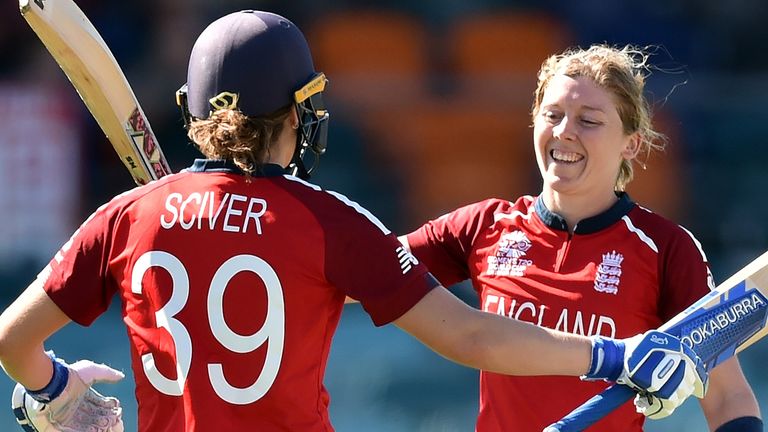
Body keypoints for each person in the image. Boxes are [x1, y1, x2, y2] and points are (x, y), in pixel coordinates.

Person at [0, 14, 705, 432]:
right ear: (299, 113)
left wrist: (57, 396)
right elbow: (467, 333)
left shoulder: (125, 216)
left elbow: (12, 341)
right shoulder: (330, 224)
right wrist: (613, 357)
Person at [400, 44, 763, 432]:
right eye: (552, 115)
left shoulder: (666, 249)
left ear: (631, 144)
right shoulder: (483, 226)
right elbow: (364, 270)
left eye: (588, 121)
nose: (564, 132)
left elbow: (727, 396)